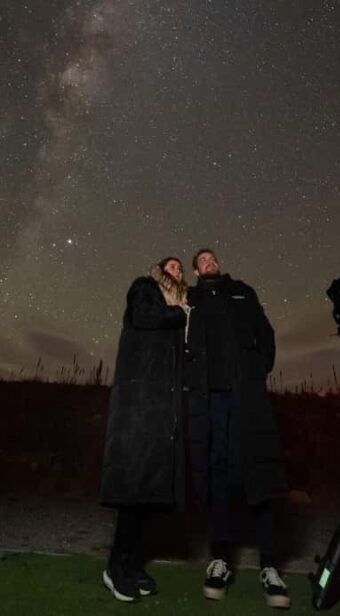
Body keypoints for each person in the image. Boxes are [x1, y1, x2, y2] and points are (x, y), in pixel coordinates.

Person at [185, 249, 290, 609]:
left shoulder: (243, 291)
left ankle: (270, 565)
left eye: (213, 257)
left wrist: (256, 370)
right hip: (211, 400)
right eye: (203, 260)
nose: (210, 261)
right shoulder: (191, 300)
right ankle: (220, 559)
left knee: (258, 470)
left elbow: (266, 332)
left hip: (247, 397)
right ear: (195, 272)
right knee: (217, 475)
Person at [100, 257, 189, 602]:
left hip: (160, 409)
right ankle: (115, 567)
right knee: (133, 490)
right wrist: (180, 314)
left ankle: (134, 564)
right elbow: (143, 317)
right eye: (172, 266)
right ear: (159, 271)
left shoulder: (177, 309)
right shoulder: (145, 289)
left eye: (181, 269)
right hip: (138, 404)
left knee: (148, 493)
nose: (177, 271)